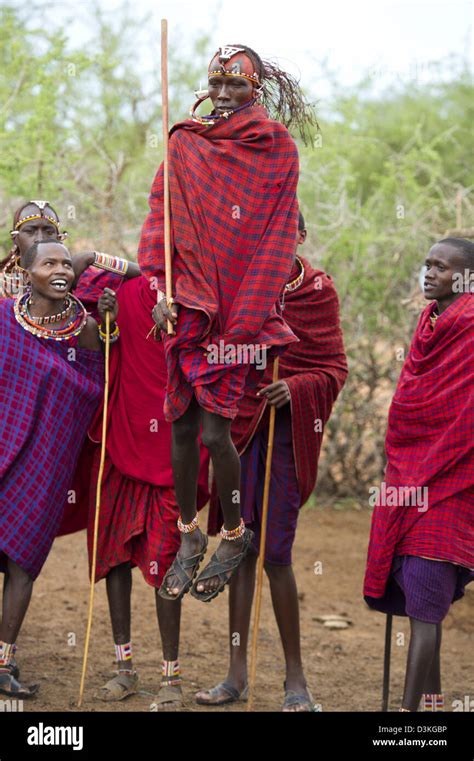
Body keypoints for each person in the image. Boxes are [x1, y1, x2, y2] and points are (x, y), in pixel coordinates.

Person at [138, 44, 317, 604]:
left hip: (241, 310)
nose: (221, 94)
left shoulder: (274, 145)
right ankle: (191, 536)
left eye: (233, 85)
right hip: (190, 302)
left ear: (254, 87)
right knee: (182, 426)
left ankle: (235, 535)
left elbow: (278, 230)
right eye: (215, 83)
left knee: (216, 430)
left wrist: (251, 310)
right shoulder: (186, 141)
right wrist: (161, 290)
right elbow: (160, 222)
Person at [195, 212, 348, 710]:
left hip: (285, 438)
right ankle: (234, 676)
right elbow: (212, 347)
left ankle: (295, 680)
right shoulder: (239, 289)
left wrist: (297, 387)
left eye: (284, 235)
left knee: (276, 554)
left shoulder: (317, 291)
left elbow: (334, 367)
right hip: (239, 433)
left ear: (301, 235)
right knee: (240, 547)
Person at [70, 264, 210, 708]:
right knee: (114, 558)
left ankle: (171, 677)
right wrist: (109, 323)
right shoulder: (123, 289)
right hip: (120, 442)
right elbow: (71, 287)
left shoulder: (201, 301)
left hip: (174, 456)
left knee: (168, 563)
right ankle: (123, 667)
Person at [0, 239, 117, 698]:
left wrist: (109, 326)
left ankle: (3, 662)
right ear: (27, 272)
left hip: (46, 465)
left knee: (23, 563)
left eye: (67, 263)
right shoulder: (5, 319)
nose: (61, 269)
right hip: (3, 448)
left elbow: (99, 382)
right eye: (49, 262)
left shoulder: (86, 330)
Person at [364, 238, 474, 712]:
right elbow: (413, 400)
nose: (429, 273)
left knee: (426, 601)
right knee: (417, 594)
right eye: (427, 264)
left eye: (442, 267)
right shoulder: (428, 323)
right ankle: (432, 709)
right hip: (410, 473)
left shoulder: (471, 324)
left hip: (454, 478)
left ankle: (409, 724)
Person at [0, 200, 140, 300]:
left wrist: (92, 257)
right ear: (15, 239)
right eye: (30, 231)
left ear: (59, 239)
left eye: (49, 232)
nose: (40, 239)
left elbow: (143, 275)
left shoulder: (77, 274)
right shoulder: (4, 284)